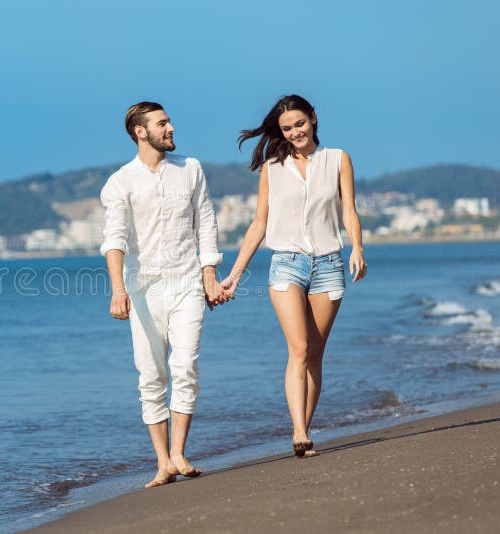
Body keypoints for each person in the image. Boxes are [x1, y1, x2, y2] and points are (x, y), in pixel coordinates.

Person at [220, 94, 367, 457]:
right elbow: (259, 223)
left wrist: (357, 248)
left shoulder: (337, 159)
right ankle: (299, 431)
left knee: (315, 353)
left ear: (313, 119)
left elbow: (348, 210)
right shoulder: (272, 166)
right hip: (286, 263)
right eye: (286, 128)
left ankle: (306, 426)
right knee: (298, 348)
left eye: (299, 124)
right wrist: (236, 273)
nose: (294, 132)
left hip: (330, 265)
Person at [100, 101, 225, 488]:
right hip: (144, 290)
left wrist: (209, 274)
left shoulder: (191, 169)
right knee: (151, 375)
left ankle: (179, 453)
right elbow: (114, 239)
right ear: (141, 132)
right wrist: (118, 290)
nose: (170, 128)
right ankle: (162, 463)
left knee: (185, 366)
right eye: (162, 123)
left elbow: (205, 222)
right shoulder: (121, 182)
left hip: (187, 281)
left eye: (169, 121)